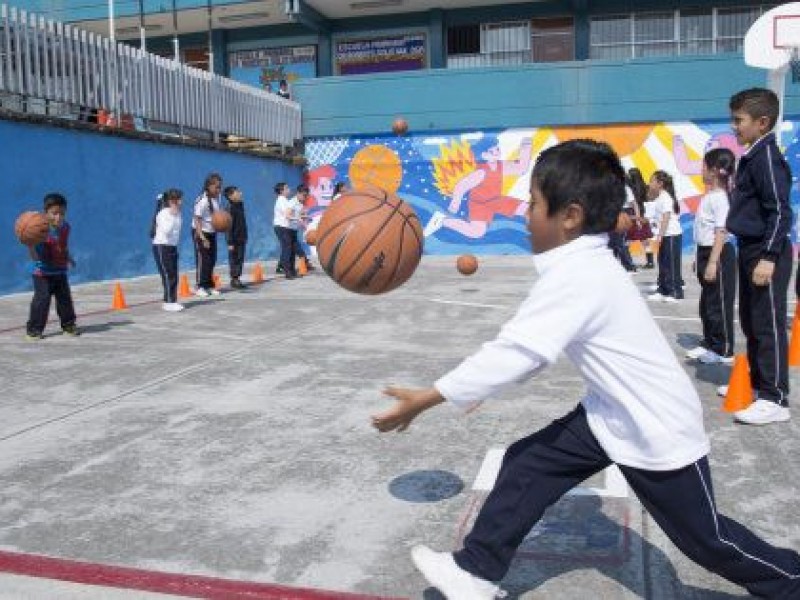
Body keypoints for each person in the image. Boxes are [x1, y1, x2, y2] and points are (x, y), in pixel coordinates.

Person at [372, 139, 800, 600]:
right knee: (527, 464)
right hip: (609, 415)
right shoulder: (582, 263)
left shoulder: (580, 275)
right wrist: (481, 387)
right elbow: (534, 347)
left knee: (708, 541)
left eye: (533, 203)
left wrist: (430, 396)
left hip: (653, 425)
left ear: (570, 216)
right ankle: (475, 572)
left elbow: (519, 352)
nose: (524, 211)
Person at [725, 88, 793, 425]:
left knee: (768, 323)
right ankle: (757, 383)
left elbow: (781, 212)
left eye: (739, 120)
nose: (734, 126)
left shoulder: (767, 156)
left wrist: (768, 256)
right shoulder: (752, 155)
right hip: (750, 248)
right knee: (752, 321)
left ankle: (775, 397)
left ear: (762, 123)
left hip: (767, 251)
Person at [685, 149, 737, 365]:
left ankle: (723, 349)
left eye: (704, 166)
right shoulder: (711, 196)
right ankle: (710, 342)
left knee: (718, 304)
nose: (702, 171)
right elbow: (705, 231)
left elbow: (721, 231)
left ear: (715, 170)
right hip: (706, 251)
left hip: (719, 254)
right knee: (707, 303)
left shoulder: (720, 198)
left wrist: (713, 262)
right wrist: (700, 257)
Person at [25, 193, 79, 339]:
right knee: (42, 301)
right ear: (46, 213)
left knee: (65, 299)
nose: (59, 217)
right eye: (54, 213)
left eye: (62, 213)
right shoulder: (38, 230)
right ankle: (34, 330)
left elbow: (63, 246)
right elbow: (34, 256)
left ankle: (68, 325)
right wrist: (30, 246)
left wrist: (69, 258)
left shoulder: (65, 227)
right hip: (42, 273)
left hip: (60, 270)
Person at [647, 170, 683, 302]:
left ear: (660, 184)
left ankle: (675, 292)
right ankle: (663, 289)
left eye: (652, 181)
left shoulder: (666, 197)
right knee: (662, 263)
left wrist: (660, 236)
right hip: (664, 235)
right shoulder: (659, 196)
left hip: (671, 235)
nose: (649, 183)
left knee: (671, 265)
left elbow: (666, 217)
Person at [150, 189, 184, 312]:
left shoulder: (177, 213)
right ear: (171, 201)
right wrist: (173, 215)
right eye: (179, 199)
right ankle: (170, 302)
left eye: (181, 199)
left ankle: (170, 300)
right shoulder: (163, 214)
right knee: (168, 274)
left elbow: (177, 233)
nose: (181, 202)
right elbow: (166, 230)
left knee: (174, 274)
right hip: (161, 246)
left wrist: (175, 214)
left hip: (172, 246)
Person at [193, 173, 223, 297]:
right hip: (201, 232)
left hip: (211, 232)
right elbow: (197, 218)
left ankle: (209, 286)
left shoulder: (217, 198)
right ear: (209, 186)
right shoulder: (202, 200)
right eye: (216, 187)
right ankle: (199, 286)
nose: (219, 189)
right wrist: (202, 236)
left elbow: (215, 217)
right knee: (203, 260)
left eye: (220, 187)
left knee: (212, 259)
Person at [625, 167, 654, 268]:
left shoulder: (630, 189)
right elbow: (650, 201)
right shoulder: (645, 187)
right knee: (645, 241)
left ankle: (628, 262)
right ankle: (650, 262)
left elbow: (633, 204)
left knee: (627, 240)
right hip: (643, 215)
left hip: (634, 216)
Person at [224, 186, 249, 289]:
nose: (240, 193)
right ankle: (234, 279)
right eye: (237, 192)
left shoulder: (240, 205)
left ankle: (237, 278)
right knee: (234, 259)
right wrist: (229, 242)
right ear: (230, 196)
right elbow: (228, 226)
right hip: (233, 239)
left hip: (241, 237)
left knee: (240, 258)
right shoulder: (229, 208)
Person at [273, 182, 298, 279]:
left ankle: (290, 270)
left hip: (286, 227)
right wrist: (298, 218)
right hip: (282, 227)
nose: (289, 189)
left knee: (290, 248)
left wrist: (301, 216)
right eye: (286, 188)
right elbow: (287, 215)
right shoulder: (282, 200)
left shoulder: (285, 200)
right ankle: (287, 271)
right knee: (287, 248)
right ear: (281, 191)